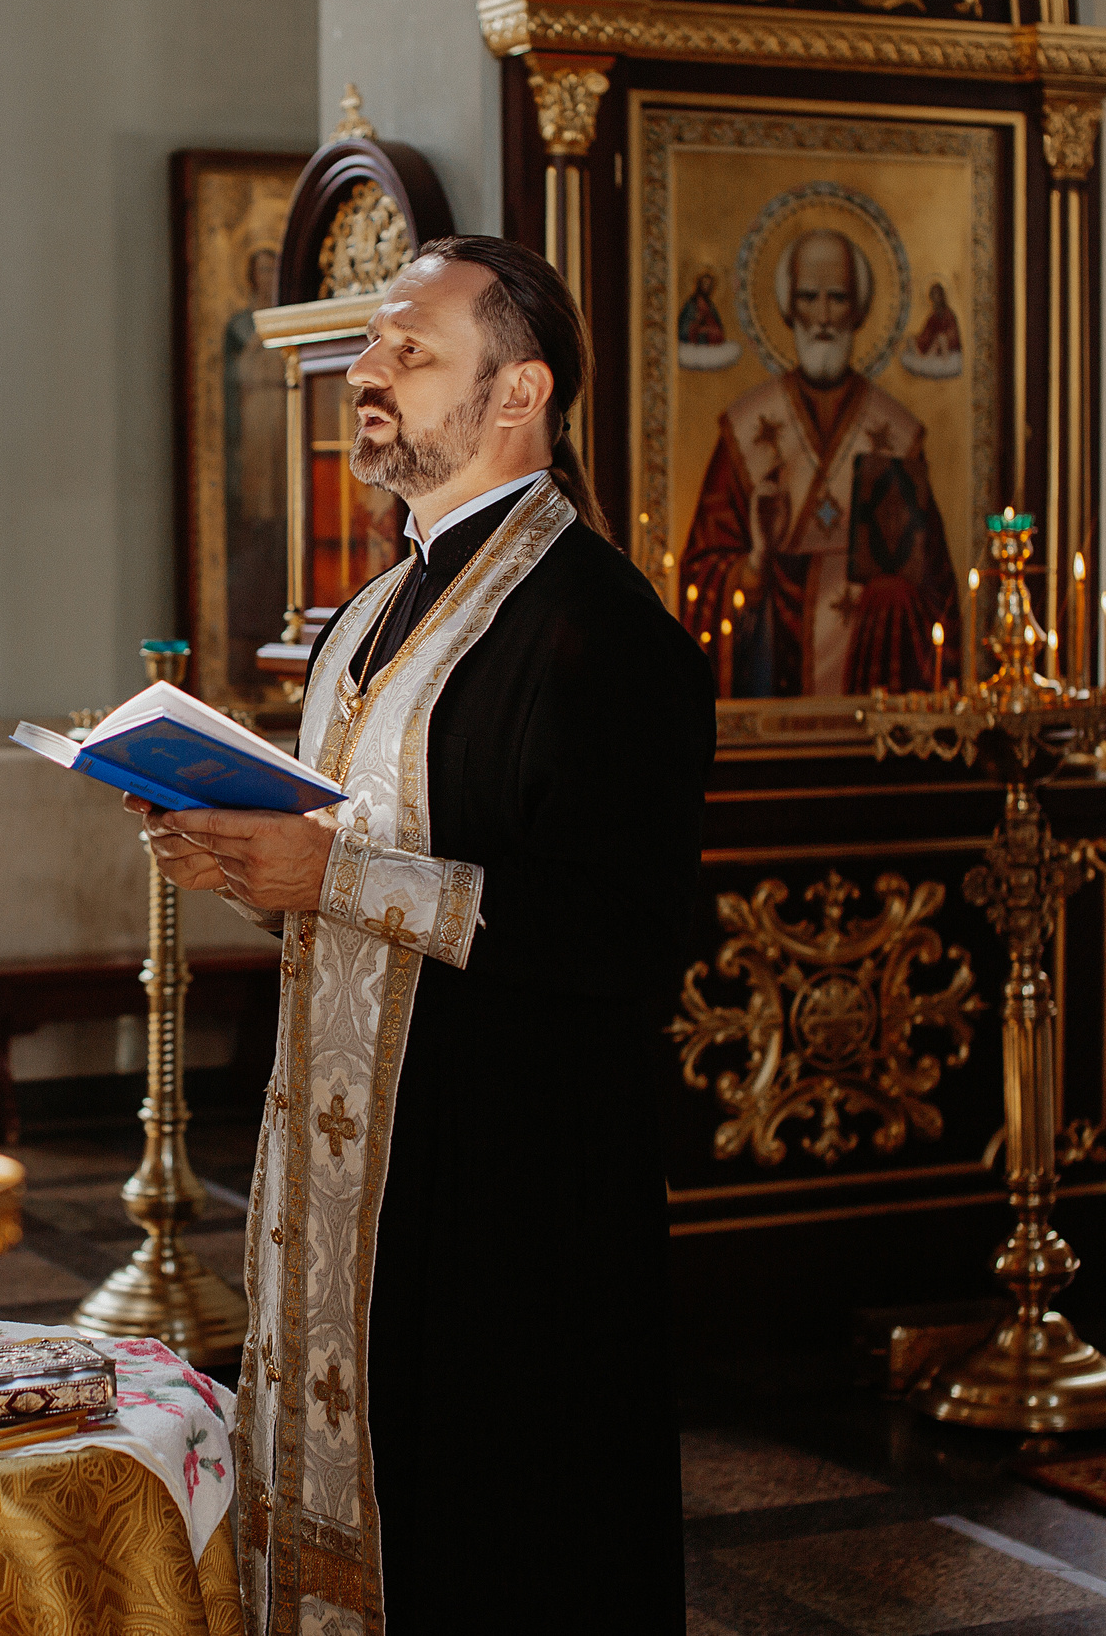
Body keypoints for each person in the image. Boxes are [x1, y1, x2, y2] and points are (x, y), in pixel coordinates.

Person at [133, 235, 713, 1630]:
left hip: (511, 1175)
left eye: (410, 348)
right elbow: (346, 842)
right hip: (349, 1157)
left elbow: (623, 926)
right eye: (371, 346)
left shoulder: (601, 626)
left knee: (498, 1518)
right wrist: (243, 847)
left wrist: (328, 876)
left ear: (520, 392)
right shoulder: (375, 608)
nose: (367, 371)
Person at [679, 228, 957, 696]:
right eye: (809, 297)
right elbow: (700, 576)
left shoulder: (899, 432)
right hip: (769, 675)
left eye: (838, 298)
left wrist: (892, 595)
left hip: (874, 696)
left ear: (860, 309)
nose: (824, 317)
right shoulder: (746, 428)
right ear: (789, 307)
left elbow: (936, 592)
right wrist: (757, 563)